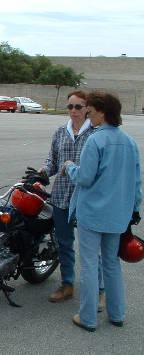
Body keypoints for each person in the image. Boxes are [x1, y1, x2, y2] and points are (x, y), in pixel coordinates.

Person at [63, 91, 141, 331]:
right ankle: (117, 314)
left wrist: (70, 167)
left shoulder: (95, 140)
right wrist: (135, 209)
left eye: (91, 111)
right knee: (111, 263)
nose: (88, 115)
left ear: (102, 112)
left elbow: (85, 177)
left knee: (89, 265)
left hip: (93, 213)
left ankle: (88, 317)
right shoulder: (129, 142)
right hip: (117, 215)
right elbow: (136, 183)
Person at [39, 90, 105, 308]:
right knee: (64, 243)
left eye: (78, 107)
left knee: (91, 248)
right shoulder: (60, 132)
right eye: (70, 106)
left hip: (86, 199)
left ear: (87, 109)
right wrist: (44, 171)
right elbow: (53, 161)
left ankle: (99, 291)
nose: (73, 111)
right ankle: (67, 285)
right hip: (61, 197)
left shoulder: (96, 134)